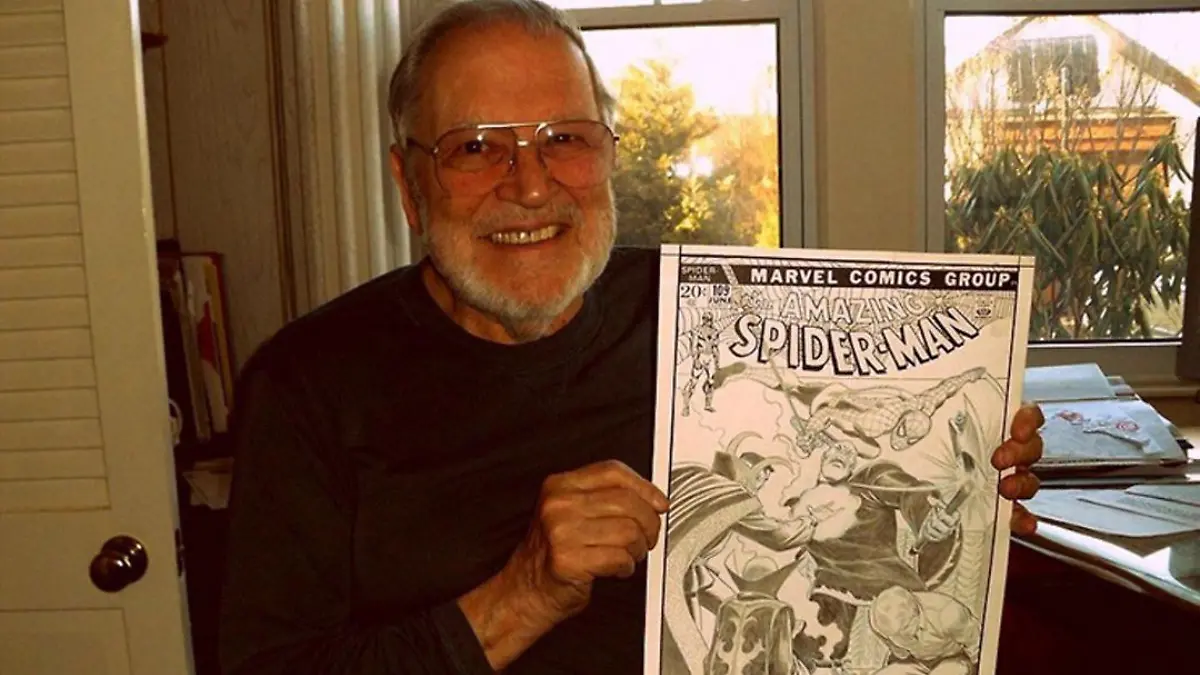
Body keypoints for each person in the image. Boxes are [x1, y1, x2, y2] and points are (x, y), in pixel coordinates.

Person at [215, 1, 1045, 673]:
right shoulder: (306, 386)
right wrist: (523, 594)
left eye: (565, 140)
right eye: (476, 148)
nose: (531, 185)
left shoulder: (713, 322)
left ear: (609, 154)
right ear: (409, 184)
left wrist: (965, 488)